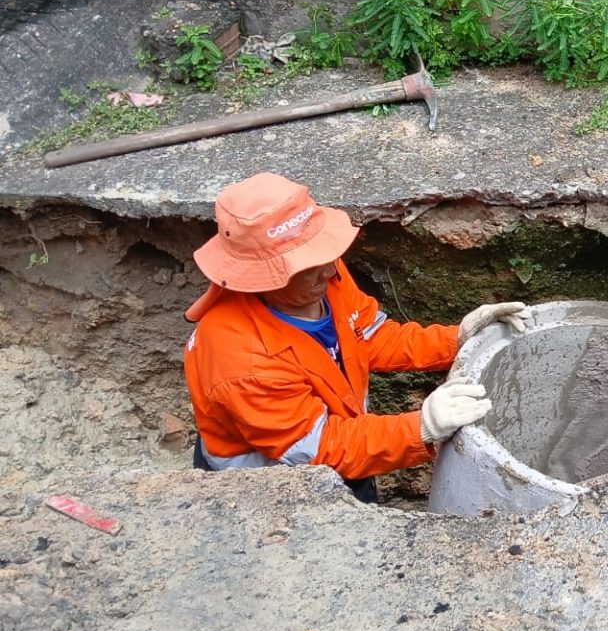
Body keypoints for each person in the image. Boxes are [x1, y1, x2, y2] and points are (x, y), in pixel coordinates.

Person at [182, 172, 532, 502]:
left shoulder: (318, 277)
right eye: (308, 265)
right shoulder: (242, 362)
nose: (333, 270)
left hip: (343, 443)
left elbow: (371, 335)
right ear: (260, 277)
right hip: (277, 488)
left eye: (324, 253)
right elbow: (318, 450)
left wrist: (459, 337)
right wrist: (420, 427)